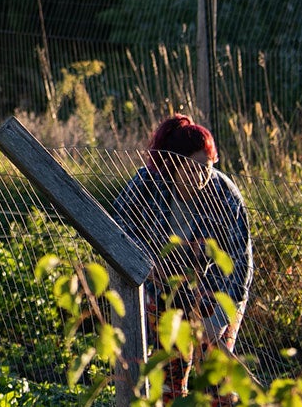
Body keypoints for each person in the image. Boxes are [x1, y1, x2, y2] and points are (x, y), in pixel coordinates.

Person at [105, 115, 254, 357]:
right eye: (193, 169)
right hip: (164, 294)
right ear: (173, 165)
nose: (201, 177)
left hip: (217, 296)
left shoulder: (226, 196)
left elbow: (241, 262)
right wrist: (145, 262)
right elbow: (118, 225)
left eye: (207, 168)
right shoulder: (148, 183)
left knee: (217, 381)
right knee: (169, 374)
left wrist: (218, 319)